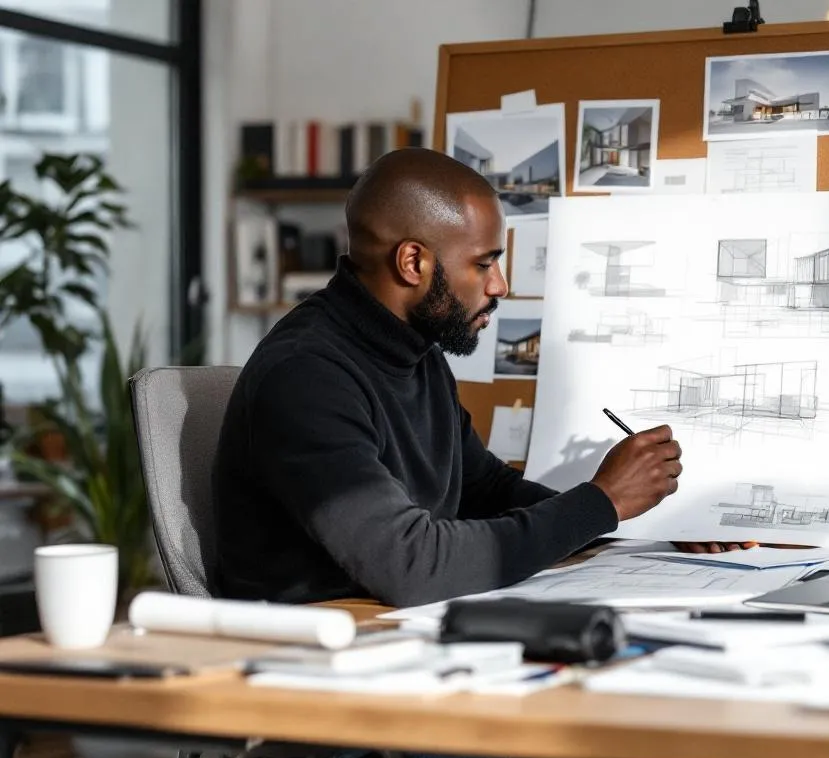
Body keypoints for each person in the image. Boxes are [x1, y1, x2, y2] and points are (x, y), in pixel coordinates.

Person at [212, 147, 750, 612]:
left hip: (395, 627)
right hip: (315, 649)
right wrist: (601, 501)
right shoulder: (306, 376)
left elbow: (486, 490)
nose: (500, 285)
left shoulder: (415, 353)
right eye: (484, 263)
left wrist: (637, 519)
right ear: (413, 262)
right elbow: (410, 563)